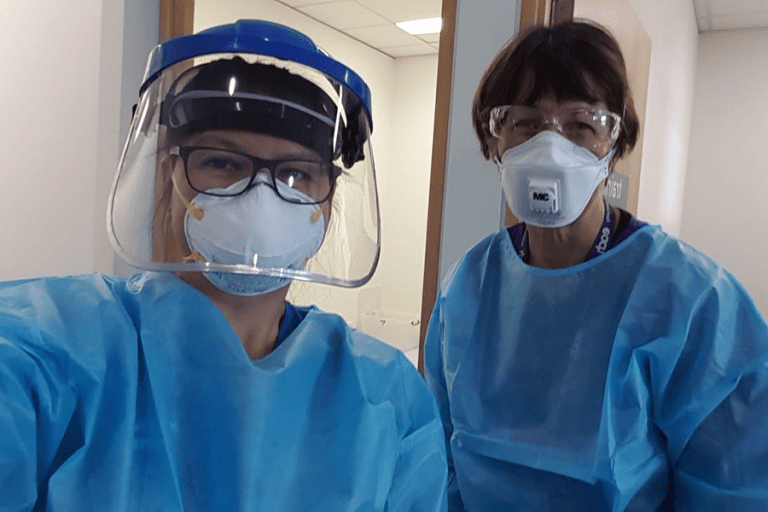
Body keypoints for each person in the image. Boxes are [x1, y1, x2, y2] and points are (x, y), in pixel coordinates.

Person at [0, 20, 447, 511]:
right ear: (171, 176)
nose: (260, 199)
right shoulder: (52, 349)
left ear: (327, 201)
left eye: (296, 174)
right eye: (221, 163)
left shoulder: (385, 398)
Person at [423, 20, 768, 511]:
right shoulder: (467, 288)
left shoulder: (692, 300)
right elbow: (440, 464)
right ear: (493, 140)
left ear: (615, 145)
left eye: (582, 125)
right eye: (524, 123)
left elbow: (739, 486)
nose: (550, 146)